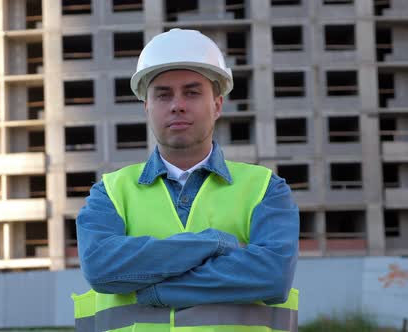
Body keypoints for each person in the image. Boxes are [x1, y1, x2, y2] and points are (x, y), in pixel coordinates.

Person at [72, 28, 300, 332]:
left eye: (192, 92)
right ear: (147, 107)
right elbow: (101, 269)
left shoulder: (265, 189)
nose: (177, 104)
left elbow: (272, 275)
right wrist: (213, 242)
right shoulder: (110, 193)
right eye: (163, 94)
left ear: (217, 105)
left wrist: (157, 291)